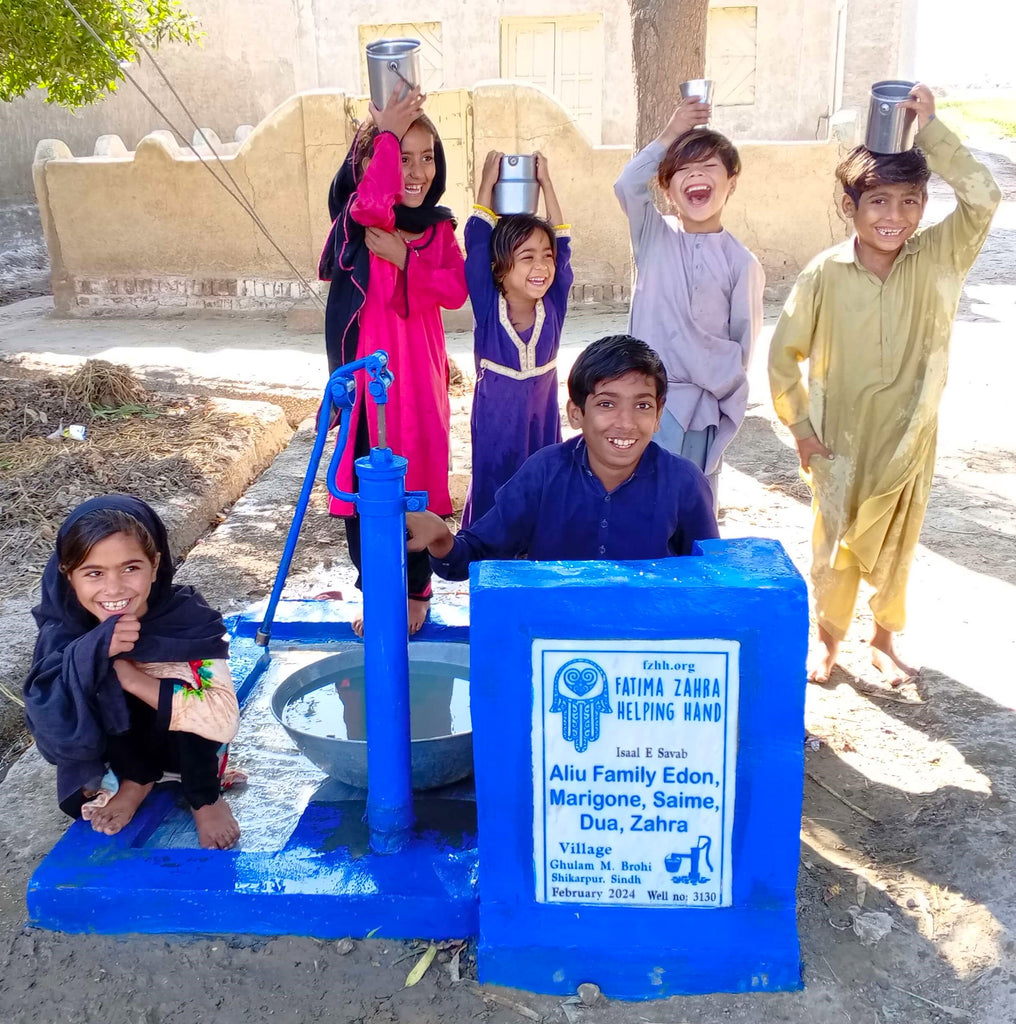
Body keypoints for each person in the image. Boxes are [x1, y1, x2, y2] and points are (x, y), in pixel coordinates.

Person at [768, 84, 1001, 685]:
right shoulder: (825, 273)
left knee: (898, 540)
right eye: (877, 202)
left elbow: (984, 195)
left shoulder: (941, 256)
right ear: (851, 206)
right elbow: (782, 354)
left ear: (924, 205)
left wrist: (932, 131)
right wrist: (801, 431)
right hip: (839, 438)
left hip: (910, 439)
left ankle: (885, 638)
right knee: (834, 541)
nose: (893, 217)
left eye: (909, 201)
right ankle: (828, 639)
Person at [318, 87, 467, 634]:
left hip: (418, 383)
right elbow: (368, 202)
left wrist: (406, 257)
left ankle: (417, 591)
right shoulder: (364, 221)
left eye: (428, 156)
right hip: (367, 382)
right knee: (363, 488)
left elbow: (454, 291)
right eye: (403, 156)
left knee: (417, 483)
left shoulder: (439, 229)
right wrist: (381, 131)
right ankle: (377, 589)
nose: (418, 170)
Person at [23, 495, 241, 849]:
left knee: (181, 675)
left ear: (155, 565)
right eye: (93, 573)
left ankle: (204, 796)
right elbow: (52, 733)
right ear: (68, 574)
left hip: (188, 750)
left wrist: (133, 677)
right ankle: (136, 779)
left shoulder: (186, 620)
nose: (114, 588)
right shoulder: (63, 630)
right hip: (119, 751)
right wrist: (94, 651)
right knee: (83, 669)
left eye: (131, 568)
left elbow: (222, 721)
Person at [406, 334, 718, 576]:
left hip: (649, 650)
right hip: (555, 647)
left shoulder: (684, 482)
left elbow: (712, 576)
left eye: (643, 405)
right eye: (607, 404)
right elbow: (474, 558)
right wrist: (442, 539)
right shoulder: (544, 473)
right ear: (576, 413)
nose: (626, 423)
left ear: (659, 413)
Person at [614, 98, 764, 509]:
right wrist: (669, 134)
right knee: (638, 503)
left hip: (701, 410)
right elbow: (627, 184)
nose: (696, 173)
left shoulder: (742, 262)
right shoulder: (654, 237)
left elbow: (743, 345)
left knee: (691, 507)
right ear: (666, 188)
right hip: (644, 402)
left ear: (731, 181)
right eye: (683, 168)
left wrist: (719, 399)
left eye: (710, 165)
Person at [461, 150, 573, 526]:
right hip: (496, 425)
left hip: (541, 426)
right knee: (495, 493)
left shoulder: (554, 304)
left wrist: (547, 183)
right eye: (526, 257)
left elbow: (564, 243)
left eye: (546, 256)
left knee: (542, 489)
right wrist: (487, 185)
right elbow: (477, 244)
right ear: (500, 268)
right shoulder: (488, 308)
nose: (541, 266)